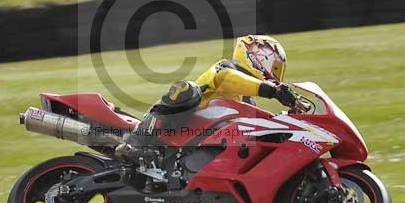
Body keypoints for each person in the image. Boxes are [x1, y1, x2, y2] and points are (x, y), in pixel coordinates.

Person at [115, 35, 300, 162]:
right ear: (257, 56)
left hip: (206, 147)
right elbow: (226, 78)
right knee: (187, 89)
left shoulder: (248, 100)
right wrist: (273, 90)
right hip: (180, 128)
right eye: (274, 67)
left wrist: (286, 124)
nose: (275, 75)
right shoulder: (227, 68)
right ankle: (136, 142)